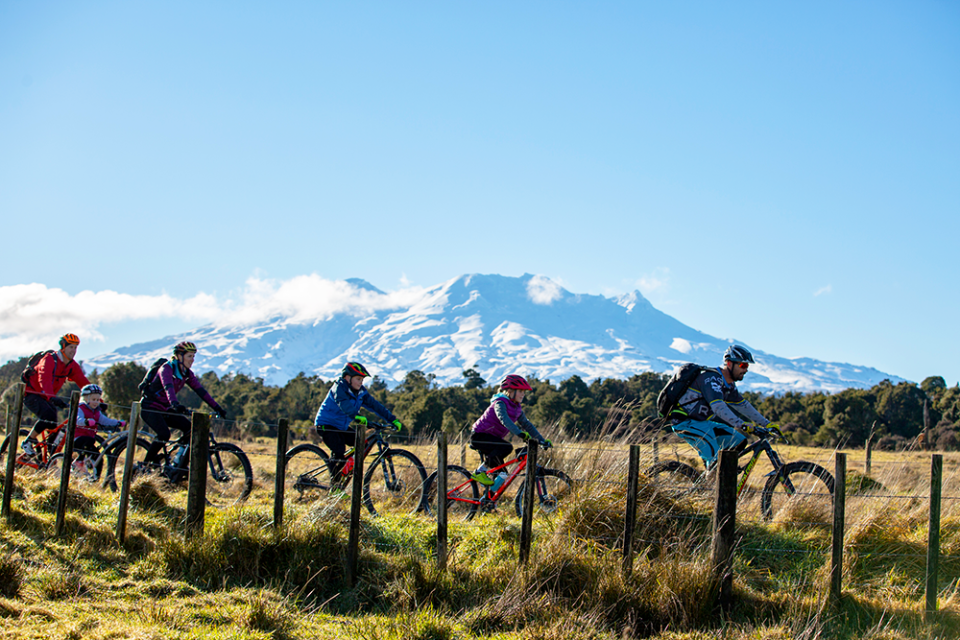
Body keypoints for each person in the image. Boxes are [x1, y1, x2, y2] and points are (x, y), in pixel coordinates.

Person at [668, 345, 782, 471]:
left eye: (747, 366)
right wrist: (741, 424)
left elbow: (744, 406)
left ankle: (723, 477)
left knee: (739, 441)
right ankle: (710, 484)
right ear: (729, 363)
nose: (746, 370)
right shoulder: (711, 378)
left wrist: (767, 424)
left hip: (702, 423)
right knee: (716, 463)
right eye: (743, 365)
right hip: (685, 423)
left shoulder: (729, 386)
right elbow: (718, 407)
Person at [139, 341, 227, 472]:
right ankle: (144, 466)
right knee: (164, 434)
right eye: (189, 356)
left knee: (191, 430)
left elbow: (201, 391)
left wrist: (217, 407)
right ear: (179, 356)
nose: (192, 360)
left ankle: (180, 467)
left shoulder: (187, 373)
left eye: (193, 356)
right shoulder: (166, 368)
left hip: (166, 408)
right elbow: (168, 387)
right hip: (150, 407)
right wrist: (175, 404)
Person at [314, 362, 403, 478]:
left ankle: (345, 470)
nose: (361, 382)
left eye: (362, 380)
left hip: (341, 427)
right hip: (326, 425)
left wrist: (392, 419)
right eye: (358, 379)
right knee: (339, 451)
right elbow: (344, 403)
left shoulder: (361, 392)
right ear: (347, 378)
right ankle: (335, 487)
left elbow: (375, 406)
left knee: (362, 443)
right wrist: (356, 416)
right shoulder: (339, 388)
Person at [469, 374, 552, 495]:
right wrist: (519, 433)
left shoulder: (517, 408)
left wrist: (541, 440)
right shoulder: (500, 403)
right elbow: (504, 419)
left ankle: (488, 499)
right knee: (506, 447)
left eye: (524, 392)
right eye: (520, 391)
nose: (523, 394)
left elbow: (527, 425)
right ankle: (480, 471)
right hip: (479, 436)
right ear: (510, 391)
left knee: (502, 474)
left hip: (493, 440)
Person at [22, 333, 91, 457]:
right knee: (48, 415)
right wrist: (51, 396)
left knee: (54, 426)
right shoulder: (49, 359)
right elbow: (44, 379)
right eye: (71, 347)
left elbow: (83, 382)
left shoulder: (71, 365)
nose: (74, 351)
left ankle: (49, 456)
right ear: (63, 347)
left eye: (76, 348)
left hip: (47, 397)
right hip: (32, 394)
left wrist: (98, 401)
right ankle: (28, 441)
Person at [73, 384, 126, 471]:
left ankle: (95, 478)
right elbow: (77, 419)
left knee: (98, 457)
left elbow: (105, 420)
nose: (96, 402)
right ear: (86, 399)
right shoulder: (80, 408)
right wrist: (86, 421)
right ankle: (79, 460)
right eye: (93, 399)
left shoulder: (96, 411)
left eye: (98, 400)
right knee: (89, 441)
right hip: (77, 438)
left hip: (89, 440)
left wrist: (117, 423)